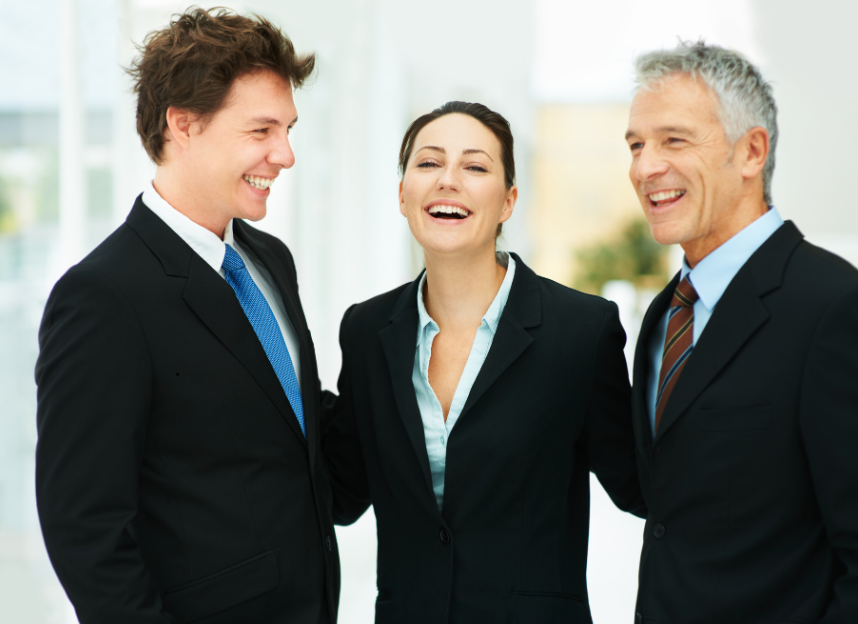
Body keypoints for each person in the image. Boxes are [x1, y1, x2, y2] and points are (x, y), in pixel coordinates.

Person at [35, 9, 340, 624]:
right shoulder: (102, 297)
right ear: (183, 124)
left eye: (288, 128)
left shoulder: (268, 260)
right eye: (262, 130)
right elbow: (85, 530)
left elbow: (289, 429)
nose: (285, 154)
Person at [323, 101, 646, 623]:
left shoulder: (581, 332)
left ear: (508, 201)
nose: (448, 180)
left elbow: (640, 487)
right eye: (428, 163)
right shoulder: (366, 332)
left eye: (474, 167)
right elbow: (341, 493)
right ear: (402, 194)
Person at [625, 41, 858, 623]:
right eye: (635, 145)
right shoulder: (665, 315)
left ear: (752, 151)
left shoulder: (832, 305)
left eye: (673, 140)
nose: (644, 166)